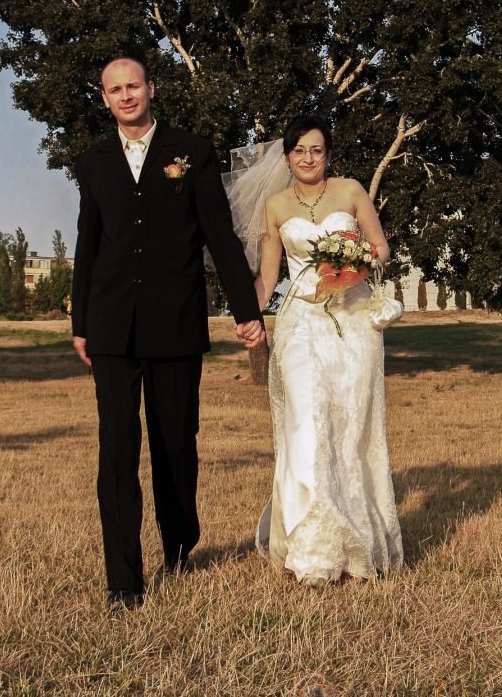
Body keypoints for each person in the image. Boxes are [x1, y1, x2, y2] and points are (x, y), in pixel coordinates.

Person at [71, 55, 264, 609]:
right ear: (104, 98)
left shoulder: (192, 151)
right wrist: (81, 322)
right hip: (111, 325)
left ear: (151, 89)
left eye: (133, 86)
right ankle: (123, 581)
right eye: (115, 89)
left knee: (175, 443)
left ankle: (179, 546)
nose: (126, 96)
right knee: (116, 449)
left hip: (175, 320)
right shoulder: (92, 161)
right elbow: (88, 243)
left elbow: (219, 235)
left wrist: (246, 309)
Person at [252, 114, 403, 584]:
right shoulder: (275, 206)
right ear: (286, 157)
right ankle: (311, 548)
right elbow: (268, 277)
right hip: (300, 321)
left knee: (350, 426)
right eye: (299, 150)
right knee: (307, 420)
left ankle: (358, 544)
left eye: (316, 150)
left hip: (354, 320)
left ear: (328, 154)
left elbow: (381, 248)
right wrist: (246, 312)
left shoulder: (351, 191)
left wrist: (356, 263)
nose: (308, 158)